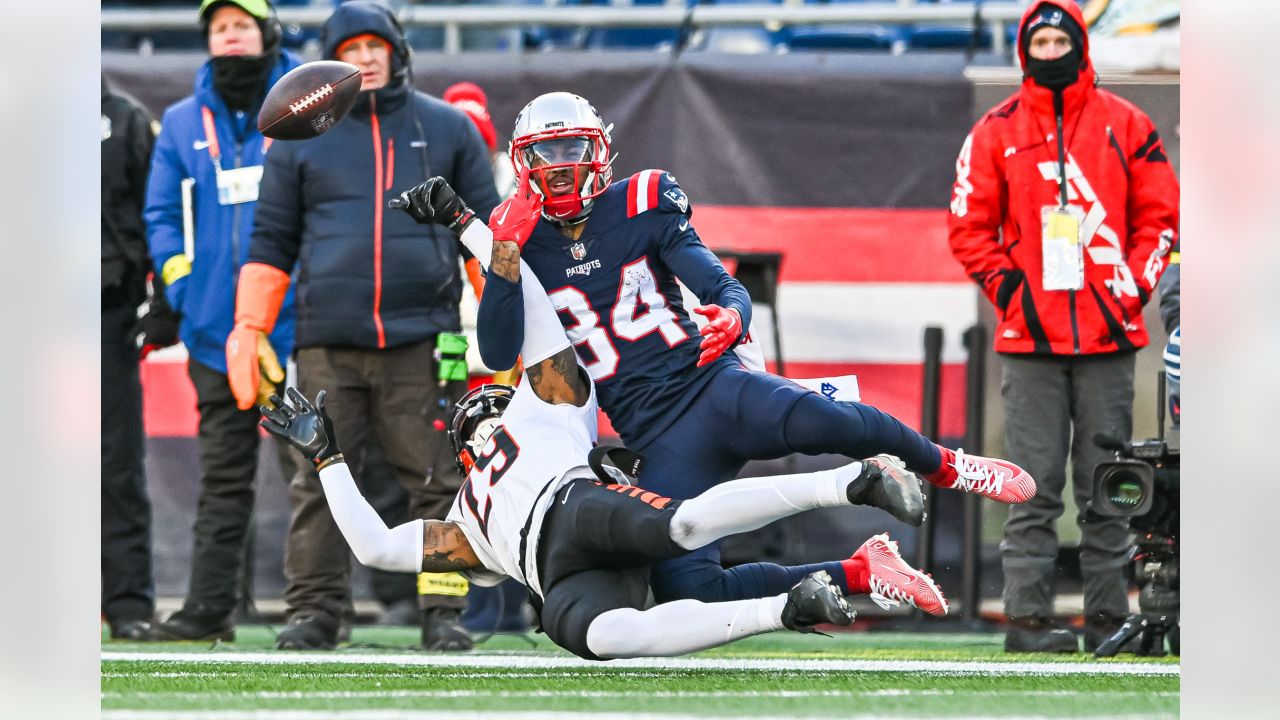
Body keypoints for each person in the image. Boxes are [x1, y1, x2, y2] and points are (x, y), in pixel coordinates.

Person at [393, 92, 1036, 613]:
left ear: (599, 152)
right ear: (522, 161)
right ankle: (862, 569)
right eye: (545, 154)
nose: (559, 167)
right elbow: (502, 346)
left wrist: (732, 314)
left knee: (830, 419)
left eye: (571, 150)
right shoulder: (517, 236)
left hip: (708, 385)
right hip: (654, 435)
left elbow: (720, 282)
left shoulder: (643, 202)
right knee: (687, 588)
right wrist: (500, 255)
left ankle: (948, 464)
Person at [260, 237, 950, 659]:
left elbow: (531, 306)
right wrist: (326, 456)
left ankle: (850, 483)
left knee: (679, 527)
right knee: (603, 641)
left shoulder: (545, 407)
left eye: (483, 409)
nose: (476, 422)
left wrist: (474, 232)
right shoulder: (466, 526)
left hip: (579, 509)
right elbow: (377, 548)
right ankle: (790, 606)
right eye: (467, 422)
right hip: (558, 580)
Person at [239, 0, 501, 651]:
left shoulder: (449, 129)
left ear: (398, 51)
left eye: (375, 45)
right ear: (331, 63)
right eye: (350, 49)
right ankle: (317, 612)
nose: (365, 57)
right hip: (327, 338)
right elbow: (272, 240)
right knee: (318, 480)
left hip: (424, 339)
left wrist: (509, 325)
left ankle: (443, 614)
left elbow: (487, 240)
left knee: (438, 481)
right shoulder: (301, 134)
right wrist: (251, 326)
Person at [945, 0, 1179, 653]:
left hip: (1109, 340)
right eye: (1040, 41)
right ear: (1025, 49)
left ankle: (1110, 623)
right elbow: (967, 230)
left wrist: (1129, 290)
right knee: (1032, 487)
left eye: (1060, 40)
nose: (1050, 51)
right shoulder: (994, 132)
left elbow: (1160, 218)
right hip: (1029, 345)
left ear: (1079, 45)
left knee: (1109, 487)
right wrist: (1011, 288)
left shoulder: (1127, 126)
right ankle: (1027, 624)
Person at [144, 0, 302, 642]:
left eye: (241, 26)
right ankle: (210, 609)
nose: (231, 37)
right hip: (215, 333)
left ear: (264, 33)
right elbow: (160, 215)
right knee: (224, 479)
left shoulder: (307, 106)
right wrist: (184, 291)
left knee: (324, 474)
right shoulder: (182, 122)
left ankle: (323, 610)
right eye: (219, 28)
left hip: (298, 326)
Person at [102, 73, 175, 641]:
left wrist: (164, 302)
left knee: (115, 465)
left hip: (105, 312)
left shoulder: (126, 120)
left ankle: (127, 605)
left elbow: (159, 216)